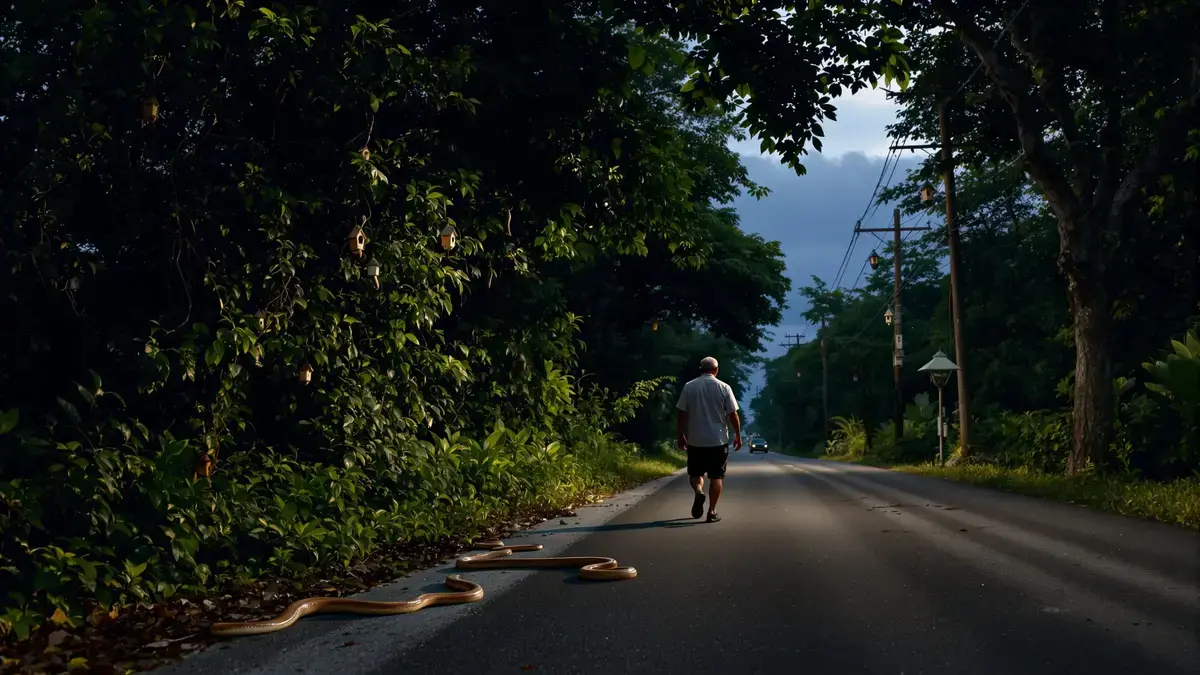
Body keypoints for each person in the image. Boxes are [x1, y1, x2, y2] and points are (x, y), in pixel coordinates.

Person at [675, 356, 741, 523]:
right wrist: (738, 436)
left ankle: (698, 491)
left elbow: (682, 413)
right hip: (717, 441)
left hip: (695, 439)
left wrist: (680, 434)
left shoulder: (689, 387)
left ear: (700, 369)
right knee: (716, 476)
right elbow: (732, 414)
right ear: (716, 370)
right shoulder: (724, 387)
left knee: (696, 473)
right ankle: (711, 511)